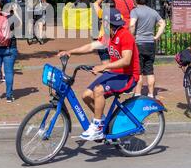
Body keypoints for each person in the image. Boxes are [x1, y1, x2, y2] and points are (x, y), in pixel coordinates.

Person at [57, 8, 140, 141]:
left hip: (128, 76)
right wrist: (70, 52)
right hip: (115, 74)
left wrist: (104, 66)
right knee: (86, 96)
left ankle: (96, 127)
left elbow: (126, 60)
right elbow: (91, 46)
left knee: (98, 90)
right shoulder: (108, 35)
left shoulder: (125, 36)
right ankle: (101, 122)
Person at [129, 0, 166, 99]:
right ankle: (150, 94)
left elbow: (132, 25)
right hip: (150, 43)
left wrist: (132, 37)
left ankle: (137, 93)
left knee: (138, 70)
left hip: (139, 43)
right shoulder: (153, 12)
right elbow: (163, 23)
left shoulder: (135, 11)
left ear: (135, 0)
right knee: (149, 70)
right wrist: (156, 36)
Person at [0, 0, 21, 103]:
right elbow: (19, 24)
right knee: (8, 72)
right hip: (9, 48)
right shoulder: (12, 17)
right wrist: (15, 12)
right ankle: (9, 96)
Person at [92, 0, 117, 64]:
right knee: (115, 67)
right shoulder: (119, 15)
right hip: (113, 42)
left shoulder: (103, 13)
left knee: (106, 67)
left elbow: (95, 4)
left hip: (103, 42)